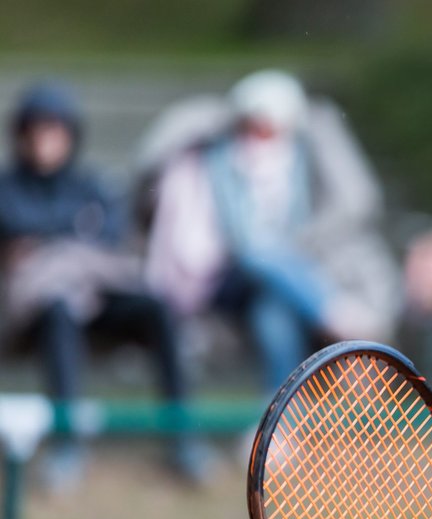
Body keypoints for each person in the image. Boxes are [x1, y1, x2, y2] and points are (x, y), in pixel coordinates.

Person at [0, 81, 208, 491]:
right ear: (21, 134)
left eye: (55, 129)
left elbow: (111, 240)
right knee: (59, 309)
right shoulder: (7, 188)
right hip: (34, 315)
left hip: (96, 302)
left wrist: (48, 244)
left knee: (156, 308)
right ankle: (68, 445)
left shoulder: (90, 185)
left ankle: (182, 434)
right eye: (37, 129)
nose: (46, 141)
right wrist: (69, 239)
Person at [143, 69, 399, 393]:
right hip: (224, 277)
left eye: (269, 126)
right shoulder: (216, 159)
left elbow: (357, 200)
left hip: (282, 279)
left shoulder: (302, 160)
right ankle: (337, 314)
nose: (259, 135)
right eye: (252, 124)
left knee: (272, 310)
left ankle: (280, 417)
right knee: (258, 251)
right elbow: (229, 241)